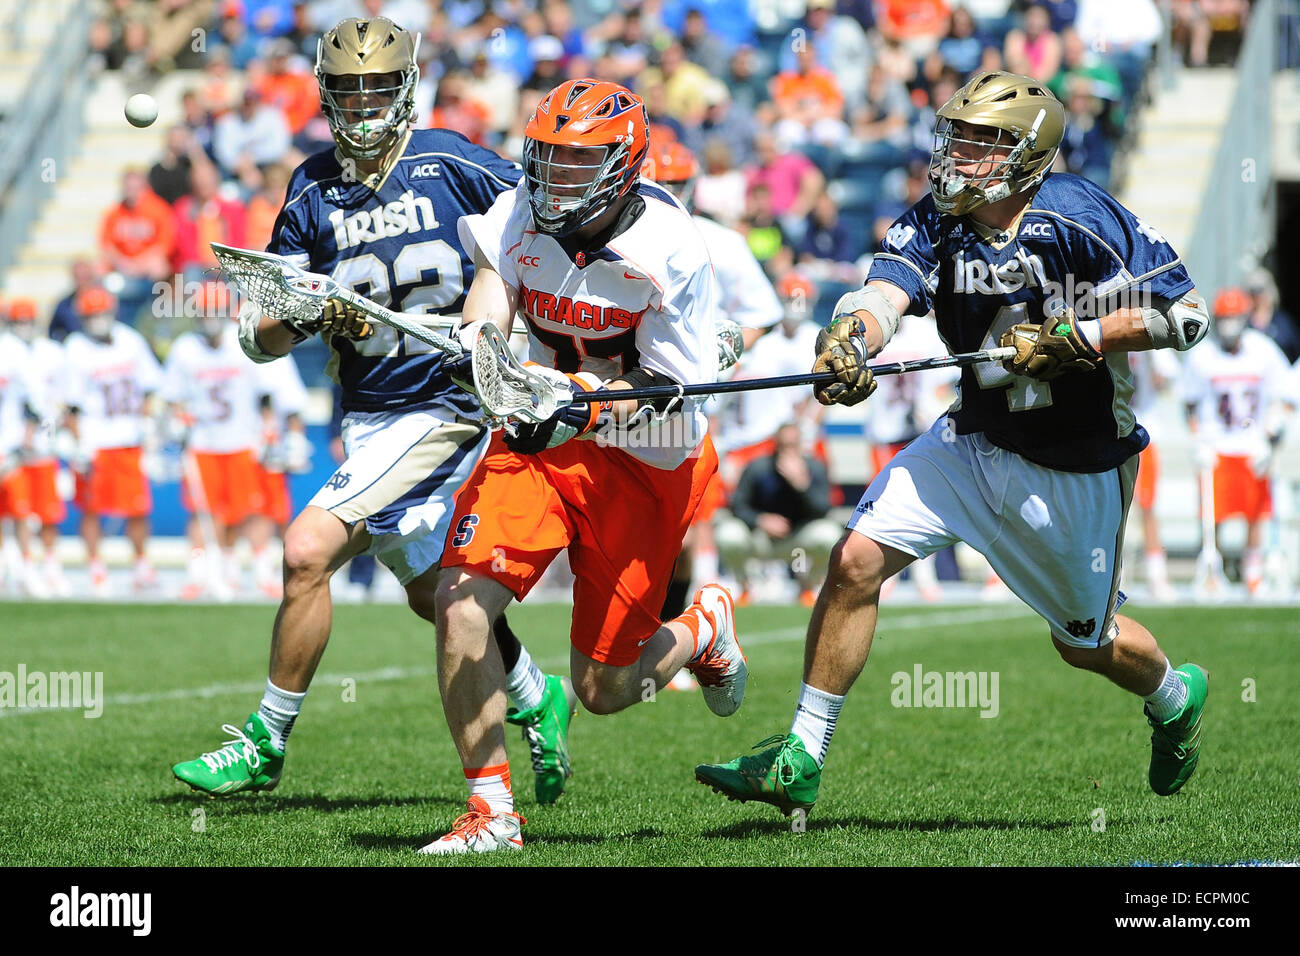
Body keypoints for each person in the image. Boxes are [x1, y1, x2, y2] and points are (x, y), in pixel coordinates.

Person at [696, 71, 1213, 817]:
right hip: (970, 437)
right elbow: (883, 293)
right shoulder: (939, 219)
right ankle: (801, 754)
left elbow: (1186, 313)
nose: (958, 156)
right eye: (957, 138)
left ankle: (1173, 696)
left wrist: (1085, 336)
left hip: (1071, 462)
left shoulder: (1080, 214)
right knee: (854, 560)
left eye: (980, 143)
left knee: (1083, 644)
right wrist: (850, 340)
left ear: (1026, 154)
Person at [168, 17, 570, 806]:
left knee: (306, 549)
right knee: (434, 594)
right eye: (347, 90)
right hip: (371, 417)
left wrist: (514, 335)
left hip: (449, 404)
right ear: (324, 92)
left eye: (376, 88)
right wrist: (313, 314)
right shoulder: (312, 186)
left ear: (406, 87)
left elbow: (544, 225)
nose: (360, 106)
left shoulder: (452, 162)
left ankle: (265, 738)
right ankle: (533, 691)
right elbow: (260, 338)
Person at [423, 78, 746, 854]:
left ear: (625, 164)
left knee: (601, 689)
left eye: (578, 163)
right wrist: (482, 349)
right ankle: (492, 814)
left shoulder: (673, 247)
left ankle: (702, 627)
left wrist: (579, 401)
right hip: (540, 438)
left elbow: (670, 392)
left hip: (644, 455)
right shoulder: (517, 210)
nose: (555, 178)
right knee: (460, 602)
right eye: (548, 159)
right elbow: (492, 291)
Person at [161, 280, 269, 600]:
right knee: (201, 512)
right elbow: (173, 398)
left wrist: (266, 430)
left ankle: (228, 566)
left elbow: (265, 393)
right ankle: (198, 572)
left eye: (214, 312)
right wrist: (177, 422)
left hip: (240, 440)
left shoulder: (242, 343)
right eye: (204, 312)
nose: (209, 318)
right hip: (202, 443)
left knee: (239, 511)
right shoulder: (185, 349)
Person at [1182, 287, 1293, 596]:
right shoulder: (1203, 355)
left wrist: (1271, 432)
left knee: (1256, 511)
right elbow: (1189, 403)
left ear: (1245, 318)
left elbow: (1285, 395)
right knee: (1212, 513)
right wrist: (1198, 439)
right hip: (1216, 444)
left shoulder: (1264, 350)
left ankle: (1252, 571)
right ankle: (1212, 567)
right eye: (1225, 319)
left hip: (1252, 443)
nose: (1230, 325)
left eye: (1234, 318)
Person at [63, 287, 163, 596]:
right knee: (92, 508)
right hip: (95, 440)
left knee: (137, 507)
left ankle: (141, 562)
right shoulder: (75, 348)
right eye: (91, 316)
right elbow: (70, 404)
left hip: (129, 437)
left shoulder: (130, 341)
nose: (97, 321)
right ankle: (95, 564)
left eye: (102, 314)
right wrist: (78, 442)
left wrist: (148, 424)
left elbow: (149, 386)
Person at [716, 422, 840, 605]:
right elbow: (738, 506)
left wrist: (802, 485)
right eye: (783, 445)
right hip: (761, 539)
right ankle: (744, 587)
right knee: (727, 534)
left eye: (792, 445)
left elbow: (824, 509)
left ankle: (808, 587)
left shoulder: (814, 468)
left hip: (798, 540)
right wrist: (761, 520)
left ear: (800, 446)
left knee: (830, 534)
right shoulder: (758, 468)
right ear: (775, 445)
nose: (787, 451)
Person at [6, 299, 71, 596]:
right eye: (20, 322)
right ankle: (22, 566)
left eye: (28, 321)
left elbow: (58, 401)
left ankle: (50, 566)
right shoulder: (7, 351)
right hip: (10, 446)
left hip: (41, 443)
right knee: (17, 512)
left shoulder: (51, 353)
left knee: (47, 512)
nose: (24, 328)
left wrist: (59, 430)